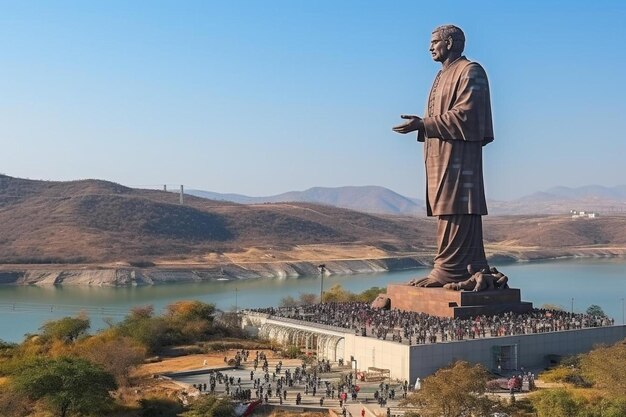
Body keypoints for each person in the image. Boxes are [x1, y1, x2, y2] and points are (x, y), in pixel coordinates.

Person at [393, 24, 495, 286]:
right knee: (444, 209)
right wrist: (423, 126)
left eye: (434, 41)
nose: (430, 47)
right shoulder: (440, 76)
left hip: (461, 155)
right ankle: (450, 268)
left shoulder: (470, 71)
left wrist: (423, 124)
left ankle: (451, 271)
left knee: (457, 206)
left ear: (450, 43)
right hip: (440, 152)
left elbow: (468, 115)